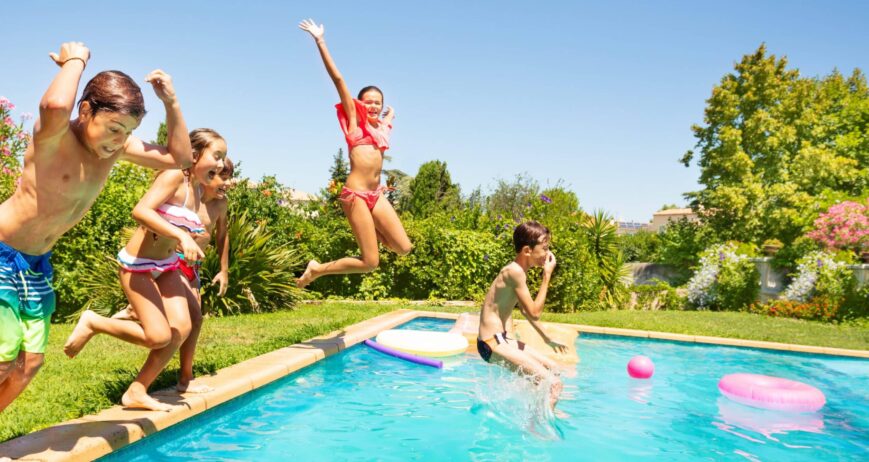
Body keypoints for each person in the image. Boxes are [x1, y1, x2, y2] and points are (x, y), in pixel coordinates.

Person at [0, 42, 192, 412]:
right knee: (4, 359)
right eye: (114, 128)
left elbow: (179, 158)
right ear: (86, 110)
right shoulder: (55, 137)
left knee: (28, 366)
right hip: (2, 252)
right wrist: (76, 59)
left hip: (36, 263)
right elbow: (54, 105)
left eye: (128, 131)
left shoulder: (118, 148)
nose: (119, 140)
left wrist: (172, 103)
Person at [63, 128, 225, 411]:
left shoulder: (197, 190)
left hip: (166, 266)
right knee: (158, 336)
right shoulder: (174, 176)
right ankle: (94, 322)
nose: (222, 165)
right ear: (195, 155)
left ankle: (137, 391)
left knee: (182, 328)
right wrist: (182, 236)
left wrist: (190, 243)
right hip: (137, 266)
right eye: (217, 156)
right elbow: (141, 211)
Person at [296, 19, 411, 289]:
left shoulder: (382, 129)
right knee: (371, 262)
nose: (373, 105)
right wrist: (320, 40)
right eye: (368, 101)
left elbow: (388, 121)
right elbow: (338, 79)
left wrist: (390, 114)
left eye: (377, 103)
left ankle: (372, 229)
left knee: (404, 247)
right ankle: (317, 269)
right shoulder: (354, 122)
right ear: (360, 104)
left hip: (376, 195)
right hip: (356, 195)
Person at [112, 157, 233, 393]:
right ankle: (183, 378)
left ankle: (184, 378)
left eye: (227, 177)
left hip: (192, 265)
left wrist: (224, 269)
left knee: (194, 321)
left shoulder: (220, 204)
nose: (226, 183)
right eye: (221, 177)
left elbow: (222, 235)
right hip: (174, 260)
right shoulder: (189, 194)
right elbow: (153, 215)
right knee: (187, 320)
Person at [477, 221, 568, 414]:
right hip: (491, 342)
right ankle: (538, 425)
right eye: (544, 248)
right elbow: (535, 311)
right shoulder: (514, 271)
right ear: (527, 250)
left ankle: (537, 407)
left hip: (504, 340)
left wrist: (547, 339)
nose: (548, 253)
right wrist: (547, 276)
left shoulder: (518, 272)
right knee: (553, 384)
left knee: (554, 369)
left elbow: (527, 312)